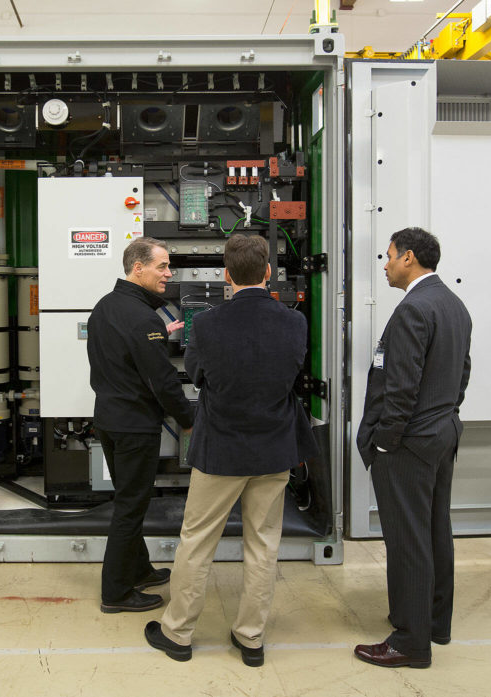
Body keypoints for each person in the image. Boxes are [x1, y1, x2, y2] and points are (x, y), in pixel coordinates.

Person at [144, 233, 317, 667]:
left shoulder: (206, 324)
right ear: (267, 273)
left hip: (221, 449)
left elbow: (198, 377)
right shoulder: (295, 322)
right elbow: (293, 374)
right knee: (263, 544)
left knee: (198, 540)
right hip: (274, 449)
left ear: (226, 275)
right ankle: (251, 638)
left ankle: (178, 633)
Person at [353, 227, 472, 669]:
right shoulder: (453, 305)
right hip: (441, 433)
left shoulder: (413, 309)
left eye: (388, 257)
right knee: (435, 531)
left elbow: (401, 387)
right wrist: (445, 418)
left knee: (407, 540)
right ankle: (434, 623)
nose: (384, 265)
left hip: (409, 442)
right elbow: (462, 373)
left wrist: (386, 441)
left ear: (408, 258)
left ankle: (409, 641)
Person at [88, 237, 194, 614]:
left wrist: (156, 337)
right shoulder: (143, 317)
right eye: (162, 266)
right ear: (138, 268)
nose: (169, 273)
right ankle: (115, 593)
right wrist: (188, 420)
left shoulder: (105, 307)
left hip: (109, 420)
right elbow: (162, 380)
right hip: (134, 426)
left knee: (128, 499)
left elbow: (119, 356)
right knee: (130, 507)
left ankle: (139, 569)